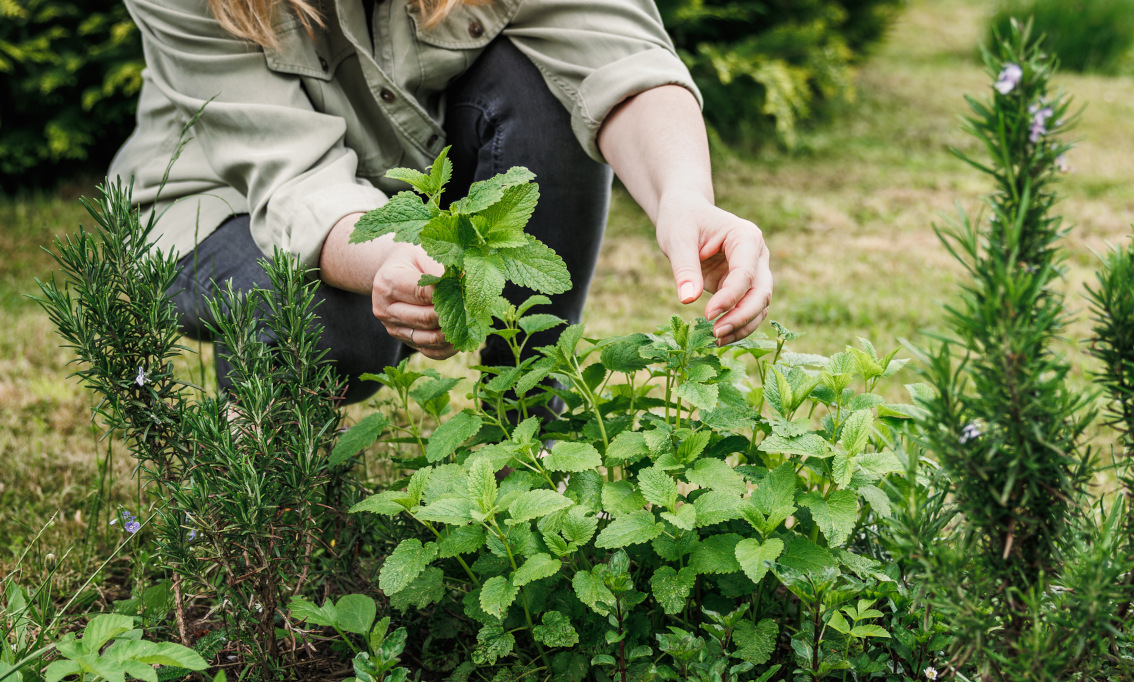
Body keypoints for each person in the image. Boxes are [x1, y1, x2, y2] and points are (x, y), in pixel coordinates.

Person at [111, 0, 773, 402]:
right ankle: (260, 483)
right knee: (326, 326)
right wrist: (396, 259)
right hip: (212, 200)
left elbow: (614, 51)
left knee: (549, 89)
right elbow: (293, 181)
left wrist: (684, 194)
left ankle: (529, 428)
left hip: (398, 178)